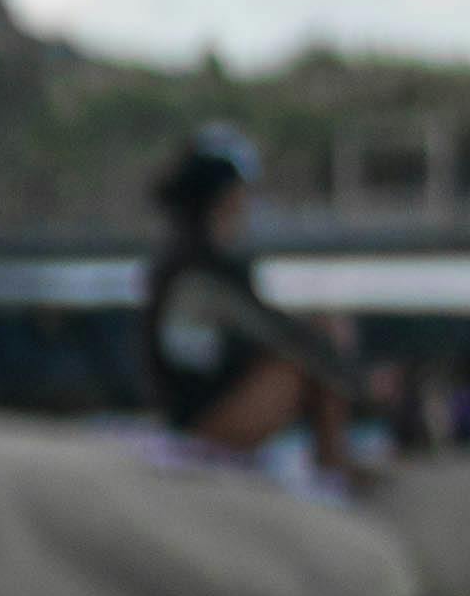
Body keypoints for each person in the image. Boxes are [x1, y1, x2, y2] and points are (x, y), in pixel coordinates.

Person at [133, 127, 383, 483]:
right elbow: (272, 333)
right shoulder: (200, 270)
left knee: (317, 342)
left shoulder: (188, 262)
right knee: (310, 357)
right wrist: (358, 380)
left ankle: (334, 458)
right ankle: (334, 464)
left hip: (197, 404)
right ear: (223, 198)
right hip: (201, 420)